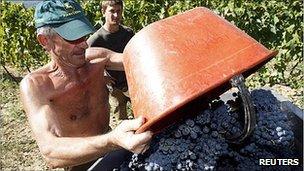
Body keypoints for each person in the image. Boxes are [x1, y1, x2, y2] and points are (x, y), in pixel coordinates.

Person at [19, 0, 152, 170]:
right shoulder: (37, 87)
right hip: (79, 163)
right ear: (45, 40)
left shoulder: (98, 59)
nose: (84, 44)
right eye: (73, 37)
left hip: (112, 148)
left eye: (83, 35)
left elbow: (141, 59)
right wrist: (111, 140)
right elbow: (50, 152)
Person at [87, 0, 134, 120]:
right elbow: (86, 64)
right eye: (112, 11)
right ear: (103, 12)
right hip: (116, 88)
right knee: (122, 121)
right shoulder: (95, 40)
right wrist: (101, 77)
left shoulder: (128, 33)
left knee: (140, 116)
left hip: (133, 83)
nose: (116, 15)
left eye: (119, 11)